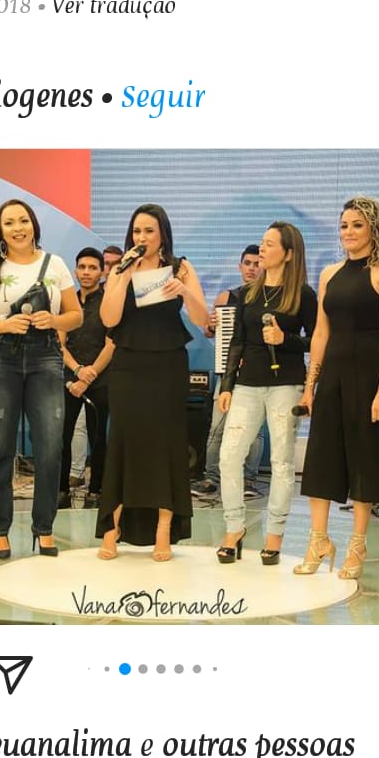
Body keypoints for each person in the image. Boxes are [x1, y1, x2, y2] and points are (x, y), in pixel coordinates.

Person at [0, 200, 81, 559]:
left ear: (34, 225)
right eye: (9, 222)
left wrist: (53, 321)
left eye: (23, 220)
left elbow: (75, 315)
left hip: (45, 357)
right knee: (1, 447)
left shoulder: (55, 264)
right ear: (0, 230)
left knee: (50, 447)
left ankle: (44, 527)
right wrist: (3, 325)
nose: (18, 228)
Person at [295, 196, 379, 580]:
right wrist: (310, 387)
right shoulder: (329, 274)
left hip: (370, 376)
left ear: (373, 228)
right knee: (321, 456)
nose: (348, 232)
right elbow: (320, 334)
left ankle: (357, 544)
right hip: (333, 376)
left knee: (364, 458)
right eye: (344, 225)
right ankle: (318, 540)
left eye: (357, 224)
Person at [96, 203, 210, 561]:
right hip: (128, 365)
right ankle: (112, 528)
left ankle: (164, 528)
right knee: (124, 440)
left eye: (149, 231)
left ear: (162, 234)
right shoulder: (121, 268)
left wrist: (185, 291)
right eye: (136, 231)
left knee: (166, 443)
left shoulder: (180, 267)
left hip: (167, 364)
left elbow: (203, 319)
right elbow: (109, 319)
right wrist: (123, 275)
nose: (141, 237)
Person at [215, 224, 317, 564]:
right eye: (262, 242)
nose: (262, 249)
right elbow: (237, 341)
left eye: (269, 244)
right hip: (247, 384)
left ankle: (274, 535)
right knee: (229, 456)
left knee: (282, 462)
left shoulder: (303, 294)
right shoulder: (247, 293)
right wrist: (227, 385)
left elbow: (317, 341)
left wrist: (286, 340)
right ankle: (234, 528)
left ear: (288, 254)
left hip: (286, 384)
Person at [192, 244, 264, 500]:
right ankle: (211, 478)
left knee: (254, 432)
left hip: (257, 372)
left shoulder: (269, 298)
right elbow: (209, 332)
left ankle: (249, 479)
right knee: (217, 427)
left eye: (257, 264)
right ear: (240, 266)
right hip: (227, 372)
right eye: (248, 263)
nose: (252, 269)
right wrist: (211, 325)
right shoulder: (226, 297)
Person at [58, 247, 114, 508]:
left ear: (102, 272)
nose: (87, 272)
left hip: (100, 379)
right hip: (69, 380)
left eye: (93, 268)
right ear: (75, 271)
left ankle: (96, 490)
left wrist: (88, 376)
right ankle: (61, 490)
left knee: (98, 437)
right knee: (62, 436)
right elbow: (60, 343)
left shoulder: (109, 301)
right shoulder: (66, 303)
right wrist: (77, 371)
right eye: (82, 267)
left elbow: (111, 344)